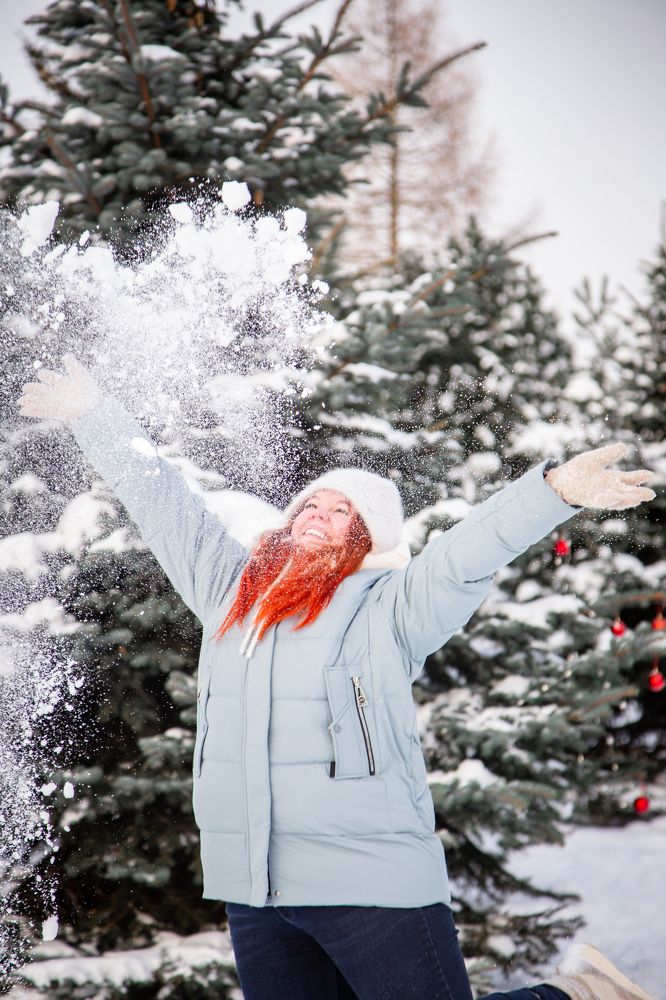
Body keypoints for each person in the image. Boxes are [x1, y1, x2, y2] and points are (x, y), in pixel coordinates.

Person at [19, 355, 657, 1000]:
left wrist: (551, 493)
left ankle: (576, 996)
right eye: (312, 502)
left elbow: (467, 552)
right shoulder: (229, 592)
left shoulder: (392, 607)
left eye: (343, 511)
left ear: (368, 536)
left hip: (370, 881)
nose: (318, 513)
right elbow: (165, 505)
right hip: (254, 889)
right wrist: (93, 416)